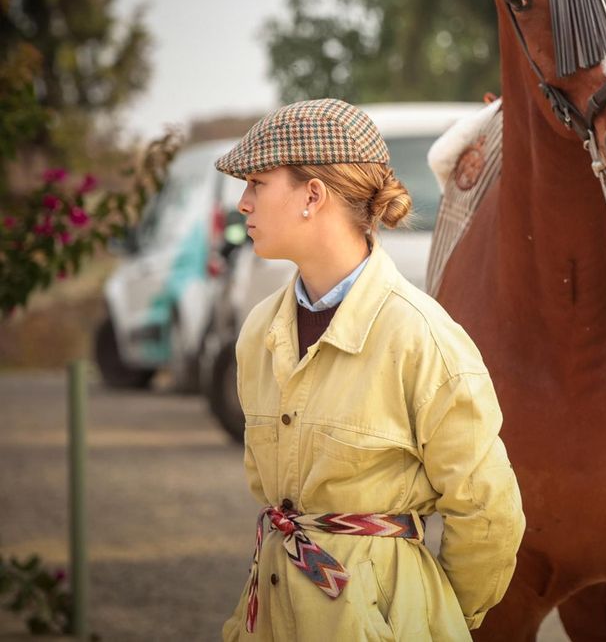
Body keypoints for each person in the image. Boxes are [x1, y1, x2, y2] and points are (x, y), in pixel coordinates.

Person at [215, 99, 524, 640]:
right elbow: (267, 488)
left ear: (313, 196)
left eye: (258, 184)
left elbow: (489, 516)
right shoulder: (258, 333)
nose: (242, 204)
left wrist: (430, 614)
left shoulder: (421, 338)